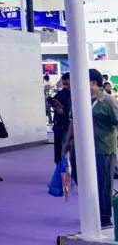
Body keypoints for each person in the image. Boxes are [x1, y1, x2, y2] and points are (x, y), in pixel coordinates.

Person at [67, 69, 118, 229]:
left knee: (103, 184)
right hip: (79, 149)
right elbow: (73, 121)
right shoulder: (80, 99)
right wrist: (67, 142)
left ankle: (104, 218)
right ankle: (90, 212)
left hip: (103, 149)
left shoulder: (108, 101)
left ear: (93, 82)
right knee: (81, 180)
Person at [52, 72, 73, 164]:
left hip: (70, 125)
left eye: (67, 84)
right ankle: (59, 166)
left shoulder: (79, 94)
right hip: (59, 124)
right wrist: (56, 108)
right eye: (64, 84)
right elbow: (54, 103)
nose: (66, 86)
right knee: (58, 148)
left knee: (69, 149)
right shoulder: (60, 93)